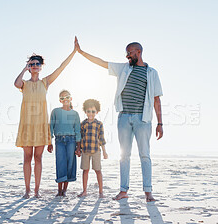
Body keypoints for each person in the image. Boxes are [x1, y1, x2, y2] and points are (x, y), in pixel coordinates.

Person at [74, 37, 163, 202]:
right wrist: (81, 52)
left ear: (138, 52)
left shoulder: (152, 73)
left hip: (143, 120)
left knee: (145, 155)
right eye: (126, 53)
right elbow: (102, 63)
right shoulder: (123, 69)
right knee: (124, 155)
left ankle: (148, 192)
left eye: (129, 53)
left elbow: (157, 99)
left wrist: (160, 123)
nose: (127, 56)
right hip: (124, 118)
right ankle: (123, 190)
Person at [14, 41, 77, 199]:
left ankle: (36, 191)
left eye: (37, 64)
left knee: (38, 158)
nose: (35, 66)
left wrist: (74, 52)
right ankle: (27, 190)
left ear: (41, 66)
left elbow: (61, 68)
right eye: (32, 64)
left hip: (41, 125)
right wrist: (24, 68)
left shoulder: (45, 82)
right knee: (27, 158)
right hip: (27, 126)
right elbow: (16, 83)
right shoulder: (25, 84)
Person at [48, 90, 81, 197]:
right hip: (59, 141)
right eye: (62, 98)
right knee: (60, 163)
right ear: (60, 100)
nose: (65, 99)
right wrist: (49, 142)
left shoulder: (75, 114)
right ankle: (59, 190)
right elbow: (51, 127)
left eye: (66, 97)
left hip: (71, 141)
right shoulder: (55, 111)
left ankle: (64, 190)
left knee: (69, 164)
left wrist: (78, 147)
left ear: (71, 98)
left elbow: (77, 130)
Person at [78, 99, 108, 198]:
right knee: (85, 170)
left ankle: (100, 192)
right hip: (85, 151)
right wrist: (78, 149)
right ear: (85, 111)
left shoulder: (99, 124)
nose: (91, 113)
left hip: (96, 151)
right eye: (88, 111)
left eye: (93, 111)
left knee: (98, 170)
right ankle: (85, 191)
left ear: (97, 112)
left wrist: (104, 152)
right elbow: (80, 137)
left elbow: (101, 138)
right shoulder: (83, 124)